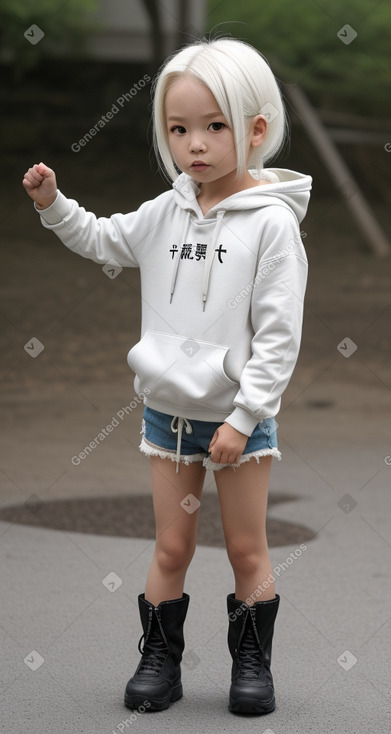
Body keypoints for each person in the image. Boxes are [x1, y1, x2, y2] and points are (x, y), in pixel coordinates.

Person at [23, 37, 311, 716]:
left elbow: (278, 336)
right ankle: (159, 659)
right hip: (167, 415)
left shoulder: (271, 228)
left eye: (214, 126)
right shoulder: (165, 212)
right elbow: (103, 240)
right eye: (178, 129)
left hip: (239, 417)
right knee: (171, 544)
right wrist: (53, 203)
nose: (195, 145)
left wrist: (244, 419)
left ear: (256, 129)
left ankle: (251, 668)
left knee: (245, 546)